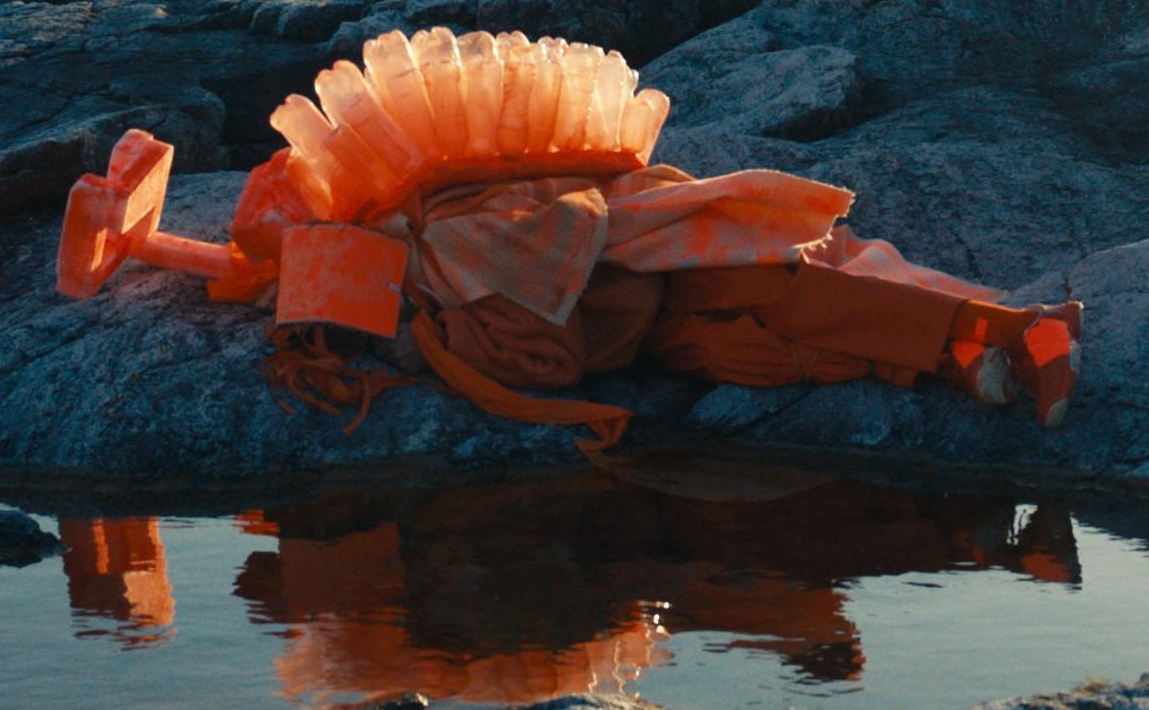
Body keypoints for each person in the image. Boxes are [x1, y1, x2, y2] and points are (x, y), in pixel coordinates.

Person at [57, 27, 1080, 451]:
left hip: (628, 268)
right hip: (632, 309)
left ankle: (1002, 333)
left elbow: (256, 268)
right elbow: (247, 269)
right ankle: (961, 350)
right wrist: (141, 245)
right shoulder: (346, 247)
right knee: (766, 324)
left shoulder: (365, 231)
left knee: (776, 280)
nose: (265, 210)